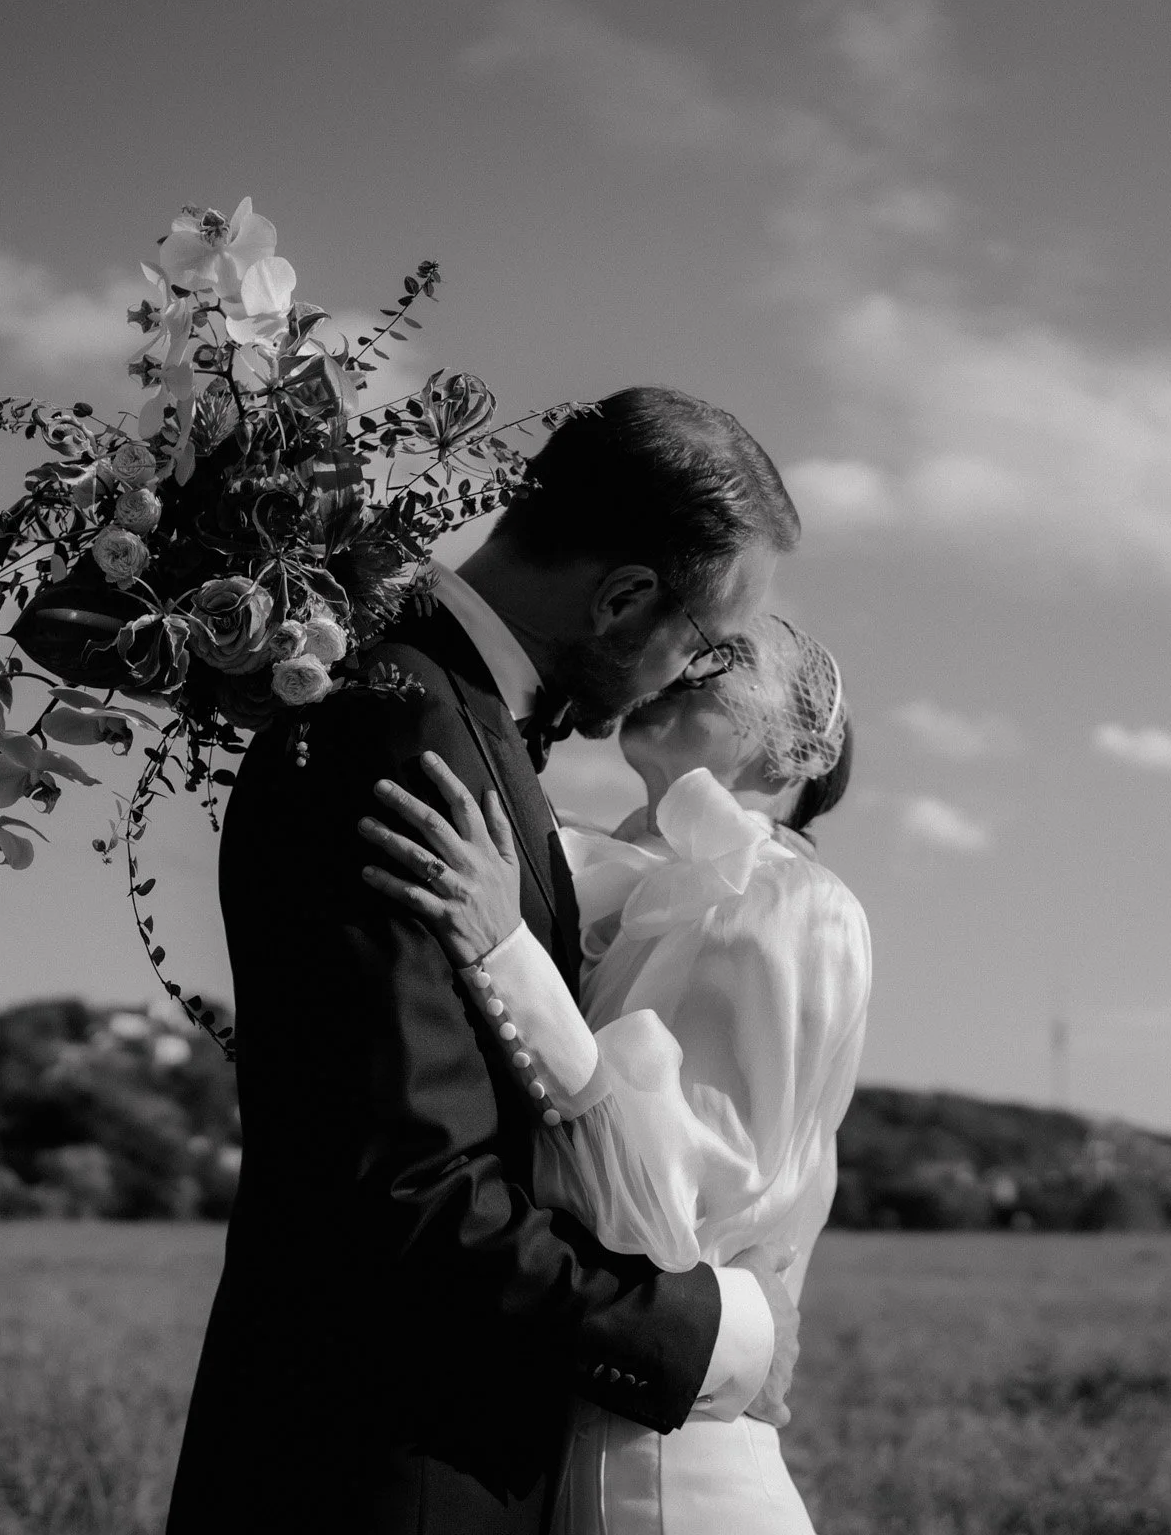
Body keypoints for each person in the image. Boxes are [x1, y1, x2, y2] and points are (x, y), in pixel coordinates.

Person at [166, 387, 807, 1534]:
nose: (689, 673)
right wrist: (704, 1335)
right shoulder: (401, 736)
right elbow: (408, 1192)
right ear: (623, 597)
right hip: (378, 1478)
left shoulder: (440, 715)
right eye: (704, 640)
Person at [358, 616, 867, 1535]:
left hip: (678, 1478)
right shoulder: (627, 888)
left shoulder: (788, 903)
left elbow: (665, 1212)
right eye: (697, 646)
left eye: (731, 660)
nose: (691, 660)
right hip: (590, 1444)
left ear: (798, 750)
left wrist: (502, 952)